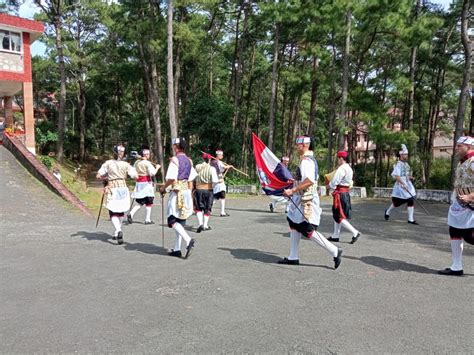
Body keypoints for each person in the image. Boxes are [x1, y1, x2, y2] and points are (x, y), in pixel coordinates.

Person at [278, 135, 342, 269]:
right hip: (302, 197)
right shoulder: (306, 160)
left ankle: (334, 251)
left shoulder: (306, 161)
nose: (297, 147)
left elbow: (309, 181)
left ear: (305, 145)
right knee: (293, 223)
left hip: (306, 199)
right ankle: (293, 256)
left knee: (308, 230)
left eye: (298, 145)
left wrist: (292, 190)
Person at [438, 136, 474, 276]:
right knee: (454, 231)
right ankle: (456, 266)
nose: (456, 148)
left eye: (459, 146)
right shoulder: (462, 162)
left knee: (470, 237)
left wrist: (470, 196)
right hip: (460, 204)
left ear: (469, 146)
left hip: (471, 205)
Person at [159, 138, 197, 259]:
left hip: (177, 192)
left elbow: (171, 178)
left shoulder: (175, 160)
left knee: (172, 220)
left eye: (174, 145)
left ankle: (188, 239)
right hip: (186, 190)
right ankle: (177, 249)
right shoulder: (189, 161)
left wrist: (163, 188)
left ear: (176, 147)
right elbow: (191, 179)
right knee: (180, 221)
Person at [96, 144, 137, 244]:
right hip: (123, 188)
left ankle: (118, 230)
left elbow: (98, 175)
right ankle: (116, 232)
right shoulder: (126, 164)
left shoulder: (108, 163)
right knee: (121, 211)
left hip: (113, 188)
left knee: (113, 211)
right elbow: (135, 176)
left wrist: (104, 178)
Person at [326, 151, 361, 244]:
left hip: (340, 194)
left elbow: (335, 181)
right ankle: (335, 235)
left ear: (341, 158)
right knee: (338, 214)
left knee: (339, 216)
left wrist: (329, 185)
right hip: (345, 193)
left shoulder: (342, 169)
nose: (338, 160)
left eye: (338, 158)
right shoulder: (349, 168)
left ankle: (355, 232)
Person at [384, 144, 418, 225]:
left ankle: (410, 219)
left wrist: (410, 177)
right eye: (405, 154)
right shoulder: (398, 165)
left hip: (407, 185)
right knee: (397, 203)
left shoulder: (406, 164)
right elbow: (397, 176)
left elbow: (406, 175)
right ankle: (387, 211)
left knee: (410, 199)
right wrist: (403, 184)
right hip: (400, 186)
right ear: (401, 155)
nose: (407, 155)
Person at [127, 149, 160, 225]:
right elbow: (152, 173)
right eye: (147, 154)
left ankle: (131, 213)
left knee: (141, 202)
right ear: (145, 155)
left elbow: (132, 173)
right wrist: (157, 168)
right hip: (147, 184)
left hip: (139, 184)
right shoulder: (147, 163)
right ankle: (147, 219)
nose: (148, 155)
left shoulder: (136, 162)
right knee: (149, 201)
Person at [194, 153, 219, 232]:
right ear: (209, 159)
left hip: (198, 189)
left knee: (198, 207)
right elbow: (215, 181)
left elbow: (193, 177)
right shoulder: (212, 169)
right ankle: (205, 225)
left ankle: (200, 224)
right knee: (207, 207)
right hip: (208, 189)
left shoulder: (197, 167)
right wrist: (213, 186)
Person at [211, 150, 232, 217]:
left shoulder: (213, 162)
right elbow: (223, 167)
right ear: (218, 155)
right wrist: (229, 166)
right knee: (222, 196)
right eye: (221, 155)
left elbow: (222, 168)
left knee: (216, 197)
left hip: (216, 180)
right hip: (219, 181)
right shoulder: (217, 162)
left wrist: (227, 167)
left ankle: (209, 209)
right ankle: (222, 212)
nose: (222, 156)